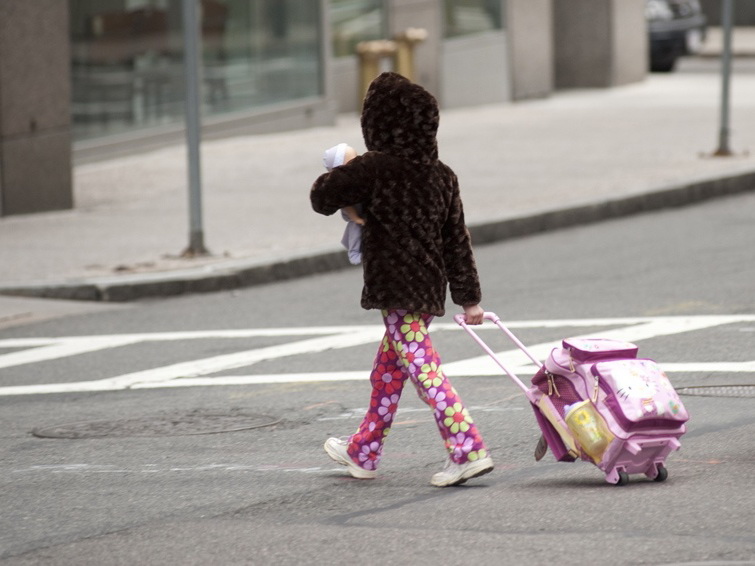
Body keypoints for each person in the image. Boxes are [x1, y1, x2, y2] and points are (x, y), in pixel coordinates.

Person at [310, 72, 493, 487]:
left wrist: (346, 164)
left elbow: (321, 198)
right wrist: (470, 300)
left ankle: (467, 448)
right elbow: (456, 241)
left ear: (378, 122)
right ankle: (364, 451)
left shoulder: (374, 168)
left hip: (394, 287)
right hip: (428, 289)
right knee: (388, 372)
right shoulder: (443, 175)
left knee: (424, 370)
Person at [322, 143, 364, 265]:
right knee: (355, 232)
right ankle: (354, 253)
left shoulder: (360, 175)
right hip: (356, 215)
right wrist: (355, 218)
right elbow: (347, 205)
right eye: (352, 160)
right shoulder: (344, 187)